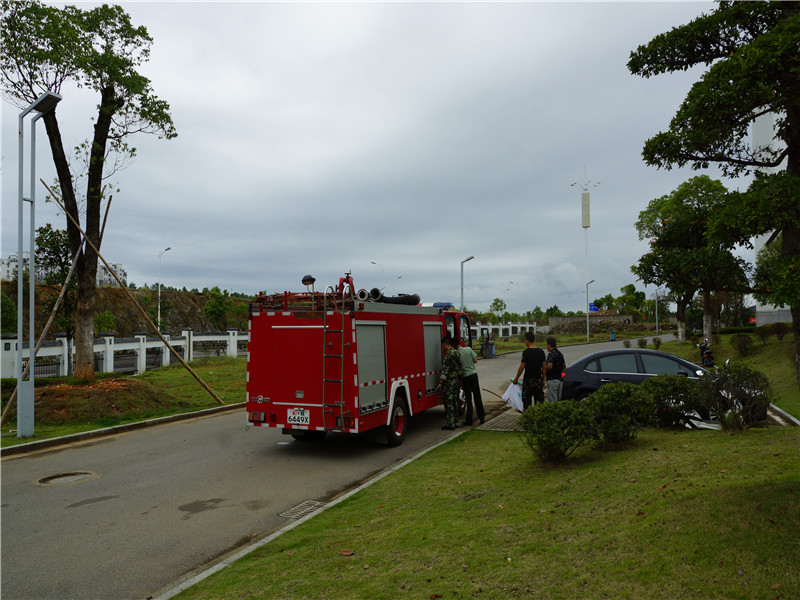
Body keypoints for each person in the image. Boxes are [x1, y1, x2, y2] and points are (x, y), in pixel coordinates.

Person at [512, 331, 546, 410]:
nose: (525, 342)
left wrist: (516, 378)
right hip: (538, 380)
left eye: (525, 340)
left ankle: (528, 419)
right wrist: (543, 380)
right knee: (539, 403)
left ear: (527, 340)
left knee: (527, 403)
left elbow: (521, 367)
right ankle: (539, 419)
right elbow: (544, 367)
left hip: (528, 381)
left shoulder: (526, 352)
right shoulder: (541, 352)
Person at [435, 335, 461, 430]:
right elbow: (459, 366)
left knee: (449, 402)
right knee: (455, 402)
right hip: (455, 381)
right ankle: (456, 422)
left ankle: (450, 424)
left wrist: (441, 383)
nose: (443, 347)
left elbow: (445, 370)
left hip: (449, 382)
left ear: (446, 344)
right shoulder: (456, 352)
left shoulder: (448, 354)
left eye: (443, 345)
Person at [458, 342, 485, 426]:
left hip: (466, 377)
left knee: (468, 399)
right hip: (473, 375)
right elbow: (475, 360)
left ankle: (469, 420)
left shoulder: (457, 353)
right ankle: (481, 417)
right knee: (477, 396)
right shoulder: (468, 349)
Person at [545, 336, 565, 403]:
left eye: (546, 344)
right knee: (558, 400)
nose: (546, 346)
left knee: (553, 402)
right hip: (560, 380)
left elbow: (550, 366)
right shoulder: (560, 354)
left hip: (552, 380)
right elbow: (564, 365)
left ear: (549, 345)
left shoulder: (551, 354)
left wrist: (544, 368)